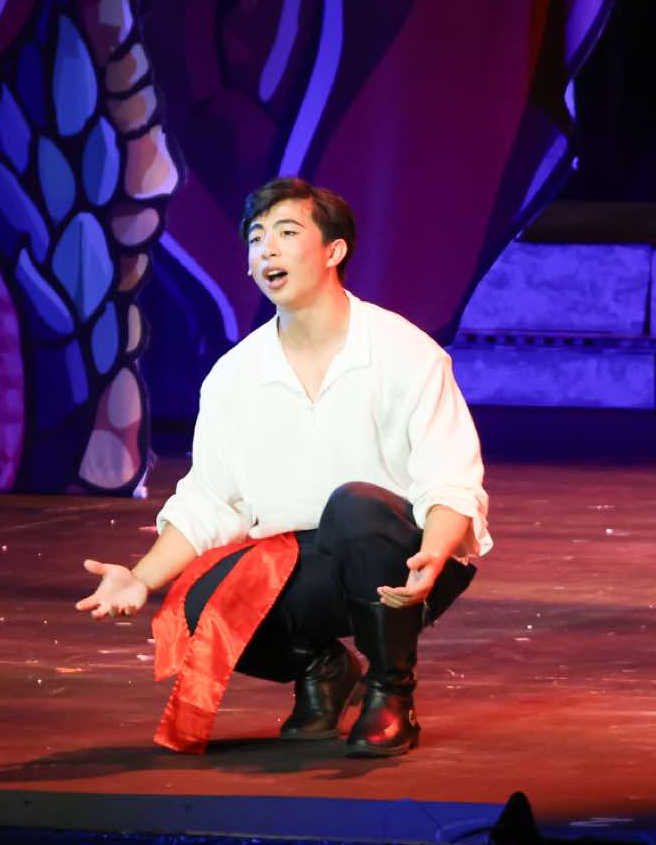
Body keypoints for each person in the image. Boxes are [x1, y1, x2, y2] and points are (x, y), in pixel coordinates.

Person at [75, 177, 490, 757]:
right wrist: (141, 578)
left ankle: (391, 690)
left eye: (287, 233)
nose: (267, 249)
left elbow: (451, 478)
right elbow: (209, 501)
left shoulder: (405, 352)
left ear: (333, 250)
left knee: (355, 507)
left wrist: (435, 551)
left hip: (404, 556)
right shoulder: (235, 376)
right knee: (197, 603)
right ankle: (322, 670)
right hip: (302, 560)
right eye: (256, 237)